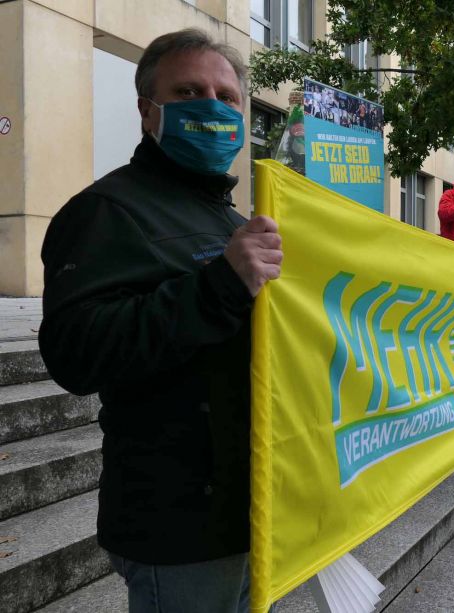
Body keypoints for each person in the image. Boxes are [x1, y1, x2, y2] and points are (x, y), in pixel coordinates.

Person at [38, 29, 282, 612]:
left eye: (227, 97)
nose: (213, 106)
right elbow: (76, 353)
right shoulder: (105, 212)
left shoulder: (231, 219)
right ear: (148, 110)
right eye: (190, 90)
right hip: (179, 526)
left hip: (248, 507)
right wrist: (219, 285)